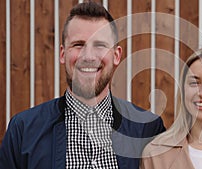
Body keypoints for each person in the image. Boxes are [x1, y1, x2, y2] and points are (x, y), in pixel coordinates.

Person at [0, 2, 165, 169]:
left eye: (100, 45)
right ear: (63, 54)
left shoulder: (148, 131)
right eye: (78, 45)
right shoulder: (23, 131)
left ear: (116, 56)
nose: (88, 56)